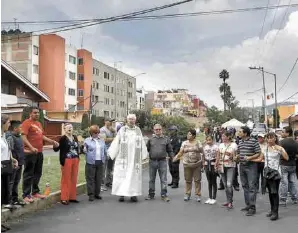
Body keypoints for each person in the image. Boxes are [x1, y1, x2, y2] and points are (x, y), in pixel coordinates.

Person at [22, 107, 59, 203]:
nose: (37, 114)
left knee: (37, 173)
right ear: (30, 114)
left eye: (38, 113)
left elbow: (41, 136)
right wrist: (30, 148)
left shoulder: (38, 123)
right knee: (28, 174)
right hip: (30, 153)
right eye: (35, 113)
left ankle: (35, 192)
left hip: (39, 152)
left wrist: (52, 141)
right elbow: (23, 137)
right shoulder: (26, 123)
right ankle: (26, 195)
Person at [108, 114, 148, 202]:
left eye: (133, 119)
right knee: (122, 176)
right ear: (127, 120)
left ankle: (133, 195)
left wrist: (144, 154)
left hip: (134, 158)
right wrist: (112, 153)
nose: (131, 121)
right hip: (123, 158)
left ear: (135, 120)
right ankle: (121, 194)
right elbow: (117, 141)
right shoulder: (122, 130)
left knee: (134, 176)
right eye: (130, 119)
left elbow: (141, 142)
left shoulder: (138, 130)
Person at [257, 133, 288, 221]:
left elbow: (287, 158)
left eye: (271, 138)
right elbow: (260, 159)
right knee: (270, 193)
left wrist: (280, 150)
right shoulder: (265, 148)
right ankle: (272, 210)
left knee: (274, 193)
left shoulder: (279, 148)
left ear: (275, 139)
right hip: (267, 173)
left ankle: (275, 212)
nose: (269, 140)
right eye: (268, 138)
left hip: (276, 173)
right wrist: (247, 159)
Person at [173, 129, 203, 202]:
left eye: (189, 134)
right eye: (187, 134)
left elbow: (202, 151)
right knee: (188, 180)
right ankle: (187, 194)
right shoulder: (184, 143)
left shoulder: (198, 142)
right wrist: (175, 158)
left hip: (197, 164)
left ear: (194, 136)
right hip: (187, 164)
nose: (187, 135)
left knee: (197, 180)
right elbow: (180, 152)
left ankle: (197, 195)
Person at [146, 124, 174, 202]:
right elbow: (147, 149)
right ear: (153, 130)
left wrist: (172, 157)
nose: (158, 130)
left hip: (162, 161)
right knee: (151, 179)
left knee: (163, 179)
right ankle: (151, 194)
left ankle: (164, 195)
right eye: (156, 129)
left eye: (159, 129)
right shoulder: (150, 139)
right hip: (152, 162)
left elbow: (170, 150)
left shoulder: (166, 139)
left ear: (162, 130)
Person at [237, 126, 261, 216]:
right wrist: (237, 156)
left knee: (252, 187)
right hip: (242, 166)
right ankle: (248, 204)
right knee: (244, 186)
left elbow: (258, 152)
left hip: (251, 166)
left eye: (240, 131)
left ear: (245, 133)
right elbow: (239, 152)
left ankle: (252, 207)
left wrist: (250, 157)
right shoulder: (240, 141)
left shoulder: (253, 141)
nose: (238, 133)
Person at [53, 123, 80, 205]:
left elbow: (77, 147)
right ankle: (64, 198)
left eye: (71, 127)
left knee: (74, 178)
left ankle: (72, 197)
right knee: (66, 179)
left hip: (75, 159)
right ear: (64, 129)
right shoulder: (62, 138)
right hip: (66, 160)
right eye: (67, 127)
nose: (69, 128)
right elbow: (56, 149)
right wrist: (55, 145)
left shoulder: (75, 137)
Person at [1, 114, 18, 233]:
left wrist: (12, 159)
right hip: (1, 168)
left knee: (2, 197)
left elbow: (6, 151)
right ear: (2, 123)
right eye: (8, 122)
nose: (10, 125)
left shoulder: (4, 136)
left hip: (5, 169)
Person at [84, 125, 107, 202]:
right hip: (90, 162)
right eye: (95, 133)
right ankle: (91, 194)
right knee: (90, 179)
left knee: (99, 179)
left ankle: (97, 194)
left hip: (100, 162)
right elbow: (84, 150)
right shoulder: (87, 140)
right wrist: (83, 149)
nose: (97, 134)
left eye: (97, 132)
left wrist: (108, 155)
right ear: (91, 133)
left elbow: (105, 150)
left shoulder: (101, 140)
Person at [6, 120, 26, 206]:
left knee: (16, 181)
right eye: (20, 127)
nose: (22, 129)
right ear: (15, 128)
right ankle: (9, 200)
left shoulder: (19, 136)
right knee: (11, 182)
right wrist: (13, 161)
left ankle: (15, 198)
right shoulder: (10, 137)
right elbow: (9, 151)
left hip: (20, 163)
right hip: (13, 164)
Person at [216, 131, 238, 209]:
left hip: (230, 166)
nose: (223, 138)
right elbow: (218, 155)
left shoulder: (234, 145)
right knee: (225, 184)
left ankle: (230, 202)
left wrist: (234, 157)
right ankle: (228, 201)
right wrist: (216, 164)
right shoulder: (221, 145)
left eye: (224, 136)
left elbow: (236, 156)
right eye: (222, 136)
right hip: (222, 166)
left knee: (229, 184)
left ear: (228, 137)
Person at [279, 126, 298, 205]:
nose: (281, 133)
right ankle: (295, 198)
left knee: (284, 182)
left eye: (283, 132)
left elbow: (279, 153)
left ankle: (283, 199)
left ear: (287, 133)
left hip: (284, 164)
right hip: (293, 164)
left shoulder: (282, 142)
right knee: (293, 181)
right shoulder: (295, 142)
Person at [100, 117, 116, 190]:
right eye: (109, 121)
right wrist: (114, 139)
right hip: (105, 150)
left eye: (111, 121)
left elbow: (118, 137)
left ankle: (109, 182)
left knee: (110, 167)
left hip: (112, 150)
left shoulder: (112, 129)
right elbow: (104, 140)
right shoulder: (102, 130)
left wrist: (114, 131)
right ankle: (101, 184)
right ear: (105, 121)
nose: (110, 123)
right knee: (103, 167)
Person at [203, 135, 219, 204]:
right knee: (209, 181)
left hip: (213, 165)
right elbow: (203, 156)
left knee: (214, 181)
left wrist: (216, 164)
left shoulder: (216, 147)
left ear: (213, 140)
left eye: (210, 140)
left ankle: (214, 197)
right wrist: (203, 164)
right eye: (207, 140)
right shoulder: (205, 147)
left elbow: (218, 156)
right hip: (207, 165)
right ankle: (209, 197)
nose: (208, 141)